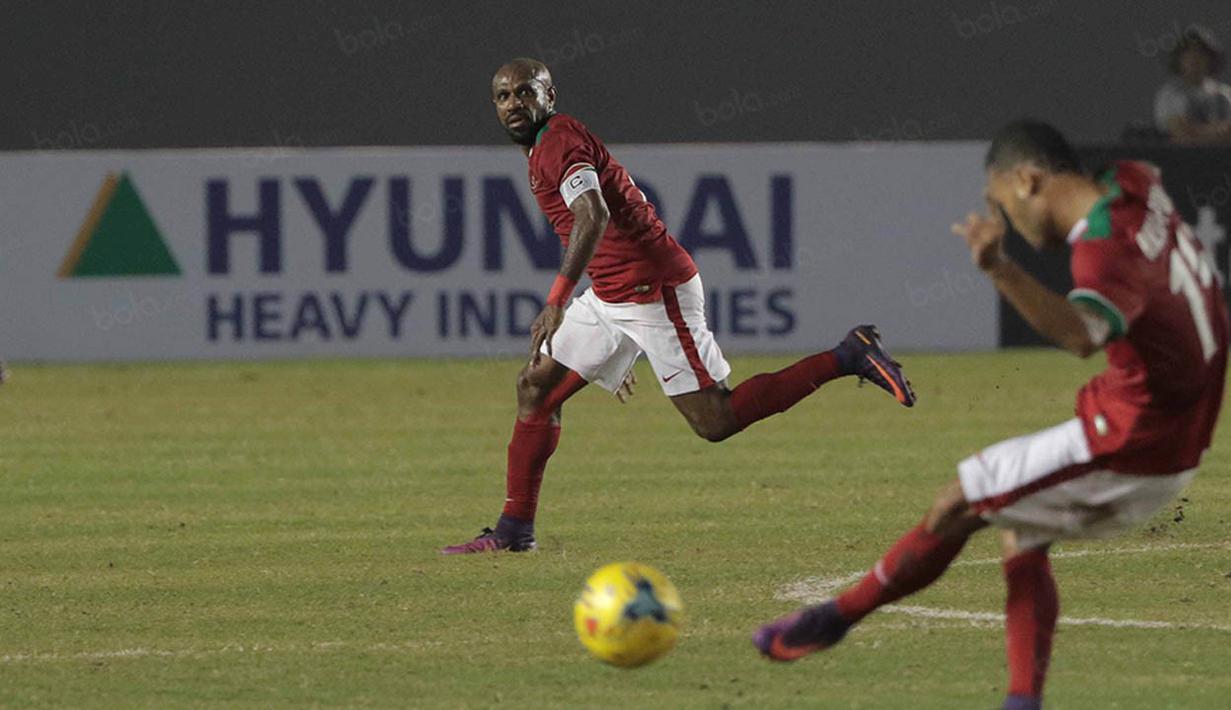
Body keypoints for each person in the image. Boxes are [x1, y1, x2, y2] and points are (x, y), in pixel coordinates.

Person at [752, 120, 1228, 710]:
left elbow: (1081, 335)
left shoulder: (1103, 252)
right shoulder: (1134, 187)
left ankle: (835, 618)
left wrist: (998, 266)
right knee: (1019, 529)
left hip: (1133, 442)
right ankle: (1021, 700)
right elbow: (1144, 179)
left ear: (1029, 179)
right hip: (1169, 431)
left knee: (959, 499)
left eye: (1001, 202)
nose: (1006, 221)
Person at [441, 58, 916, 555]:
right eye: (503, 96)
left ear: (550, 95)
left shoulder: (557, 140)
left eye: (525, 92)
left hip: (651, 288)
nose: (515, 103)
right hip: (612, 293)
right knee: (536, 388)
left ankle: (847, 355)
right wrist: (609, 345)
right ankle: (515, 530)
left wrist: (557, 300)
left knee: (716, 421)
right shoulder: (543, 145)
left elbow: (593, 213)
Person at [1154, 25, 1231, 143]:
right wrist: (1216, 132)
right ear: (1179, 58)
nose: (1194, 59)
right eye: (1188, 53)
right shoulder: (1169, 95)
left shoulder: (1225, 93)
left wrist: (1197, 131)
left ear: (1211, 58)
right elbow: (1181, 134)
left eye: (1201, 53)